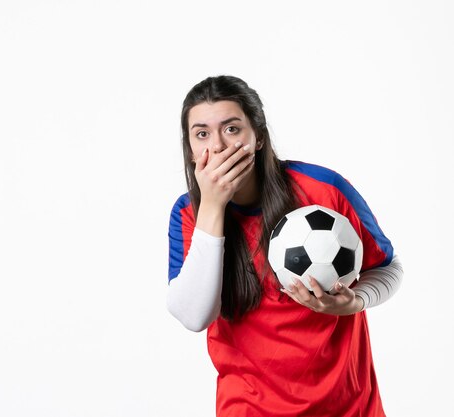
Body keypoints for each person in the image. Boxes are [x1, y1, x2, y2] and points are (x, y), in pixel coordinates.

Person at [166, 75, 403, 417]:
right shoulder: (189, 214)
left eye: (232, 129)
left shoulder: (324, 190)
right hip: (249, 408)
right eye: (202, 134)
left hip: (348, 406)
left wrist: (356, 301)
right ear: (190, 149)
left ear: (258, 137)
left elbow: (388, 267)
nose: (217, 146)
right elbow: (193, 315)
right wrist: (214, 208)